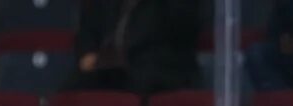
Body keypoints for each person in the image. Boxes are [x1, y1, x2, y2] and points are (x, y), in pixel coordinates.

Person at [68, 0, 201, 96]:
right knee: (72, 89)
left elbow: (184, 28)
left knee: (143, 79)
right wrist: (87, 52)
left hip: (158, 72)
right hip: (108, 70)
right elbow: (89, 28)